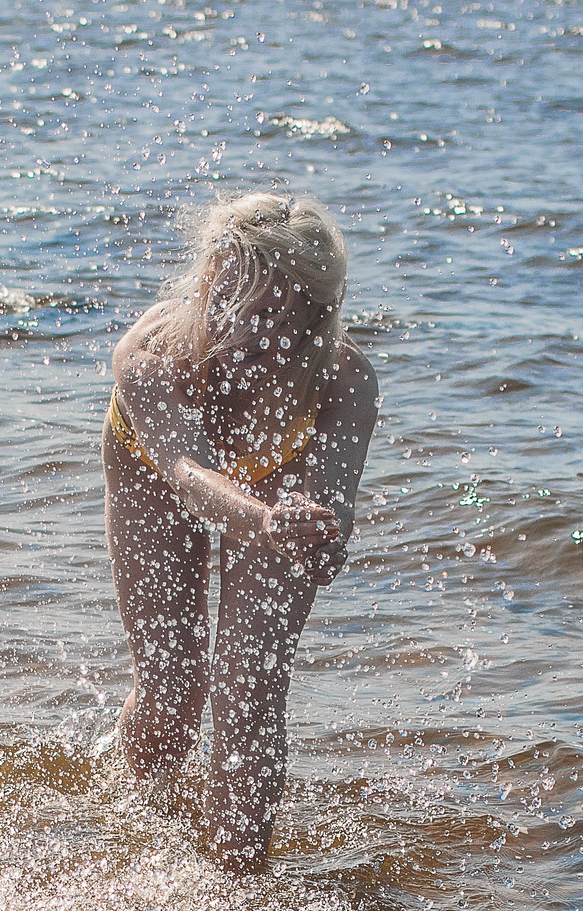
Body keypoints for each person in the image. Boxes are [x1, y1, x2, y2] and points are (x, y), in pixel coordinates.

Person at [102, 192, 378, 872]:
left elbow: (335, 497)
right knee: (175, 685)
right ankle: (137, 809)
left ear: (317, 315)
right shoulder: (151, 352)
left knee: (249, 691)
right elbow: (187, 473)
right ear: (206, 285)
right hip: (152, 469)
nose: (250, 337)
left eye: (278, 318)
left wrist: (323, 533)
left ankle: (238, 889)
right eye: (235, 307)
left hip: (275, 494)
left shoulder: (345, 380)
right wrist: (264, 519)